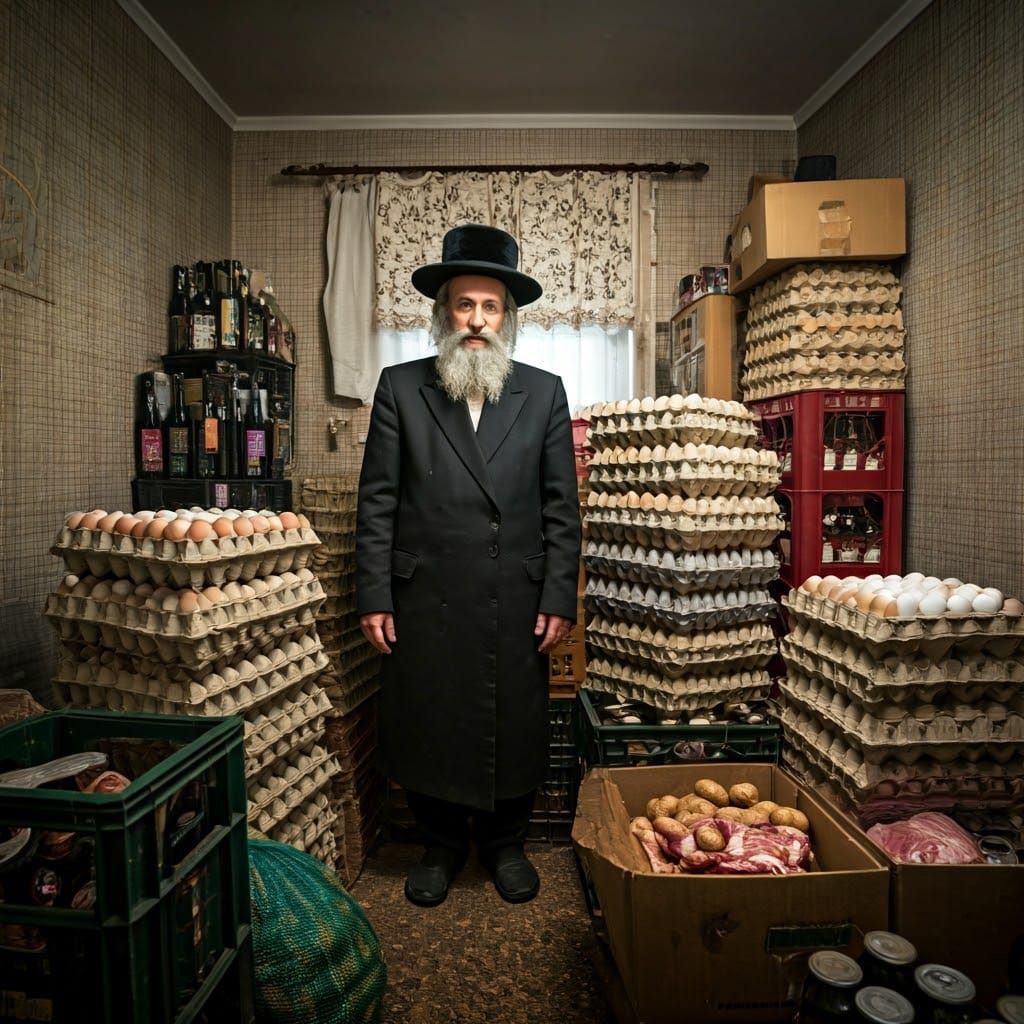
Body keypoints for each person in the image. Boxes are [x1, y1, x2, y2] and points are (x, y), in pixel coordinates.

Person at [356, 224, 582, 907]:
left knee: (512, 719)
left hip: (513, 597)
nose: (478, 320)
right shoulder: (401, 388)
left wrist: (557, 595)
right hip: (426, 597)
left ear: (508, 318)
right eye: (465, 305)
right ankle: (442, 844)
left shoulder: (543, 392)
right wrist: (374, 595)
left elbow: (560, 508)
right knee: (432, 718)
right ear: (443, 312)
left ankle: (506, 842)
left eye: (491, 307)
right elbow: (378, 502)